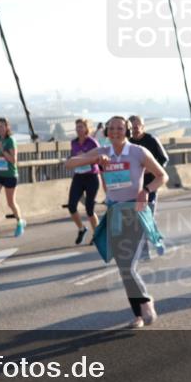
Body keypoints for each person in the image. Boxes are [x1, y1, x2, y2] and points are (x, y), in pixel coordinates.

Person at [65, 116, 168, 328]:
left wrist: (146, 191)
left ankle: (146, 300)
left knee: (129, 265)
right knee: (123, 267)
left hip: (135, 211)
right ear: (106, 132)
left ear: (127, 130)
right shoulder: (103, 152)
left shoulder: (138, 152)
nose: (115, 132)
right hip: (115, 213)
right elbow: (70, 163)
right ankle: (138, 314)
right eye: (111, 128)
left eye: (120, 128)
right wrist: (93, 161)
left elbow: (162, 175)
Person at [0, 117, 25, 241]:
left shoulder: (10, 141)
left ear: (7, 127)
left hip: (10, 175)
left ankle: (20, 222)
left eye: (2, 126)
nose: (0, 129)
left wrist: (2, 150)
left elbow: (13, 160)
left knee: (10, 202)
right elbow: (1, 157)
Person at [67, 119, 100, 245]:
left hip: (91, 177)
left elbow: (99, 159)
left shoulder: (92, 142)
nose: (78, 129)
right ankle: (81, 228)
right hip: (79, 177)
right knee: (71, 206)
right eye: (77, 127)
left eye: (81, 127)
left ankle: (97, 234)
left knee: (89, 209)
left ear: (86, 129)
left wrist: (85, 157)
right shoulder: (74, 143)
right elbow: (73, 158)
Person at [128, 115, 168, 215]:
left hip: (150, 182)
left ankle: (149, 228)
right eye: (132, 127)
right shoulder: (128, 142)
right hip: (133, 184)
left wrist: (151, 169)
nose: (135, 130)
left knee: (148, 212)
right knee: (134, 215)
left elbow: (164, 159)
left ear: (143, 127)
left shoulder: (151, 140)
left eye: (137, 127)